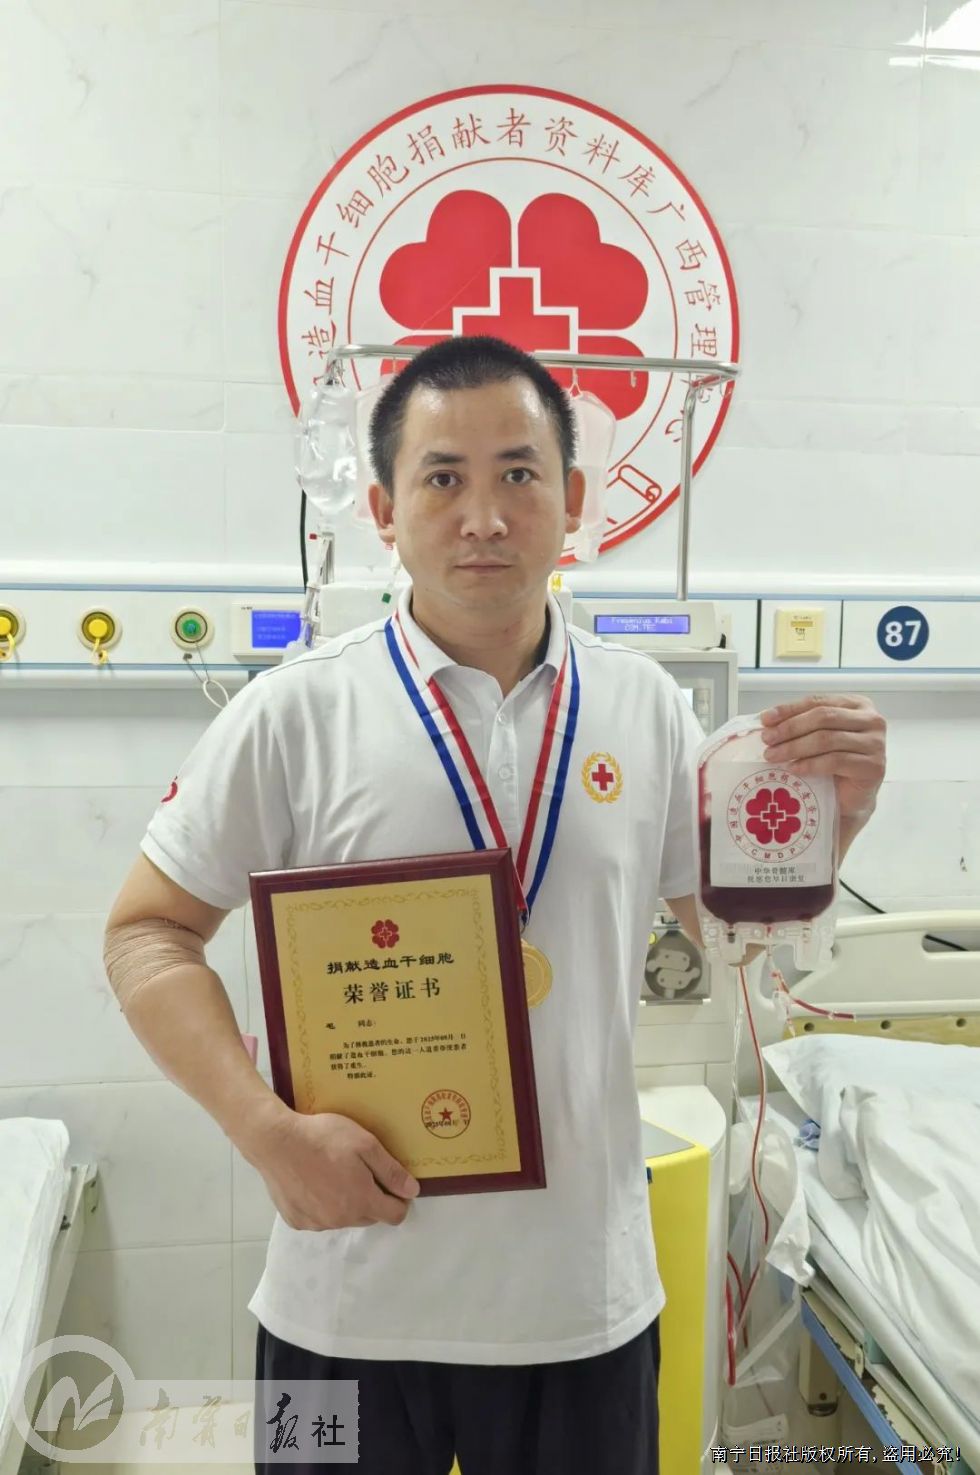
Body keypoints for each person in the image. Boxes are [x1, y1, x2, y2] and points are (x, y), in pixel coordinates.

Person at [103, 336, 887, 1475]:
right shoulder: (294, 713)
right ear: (383, 509)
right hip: (341, 1304)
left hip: (581, 1309)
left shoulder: (647, 711)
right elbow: (146, 933)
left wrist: (830, 830)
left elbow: (736, 942)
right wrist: (262, 1131)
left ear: (574, 500)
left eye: (519, 473)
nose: (483, 516)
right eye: (443, 477)